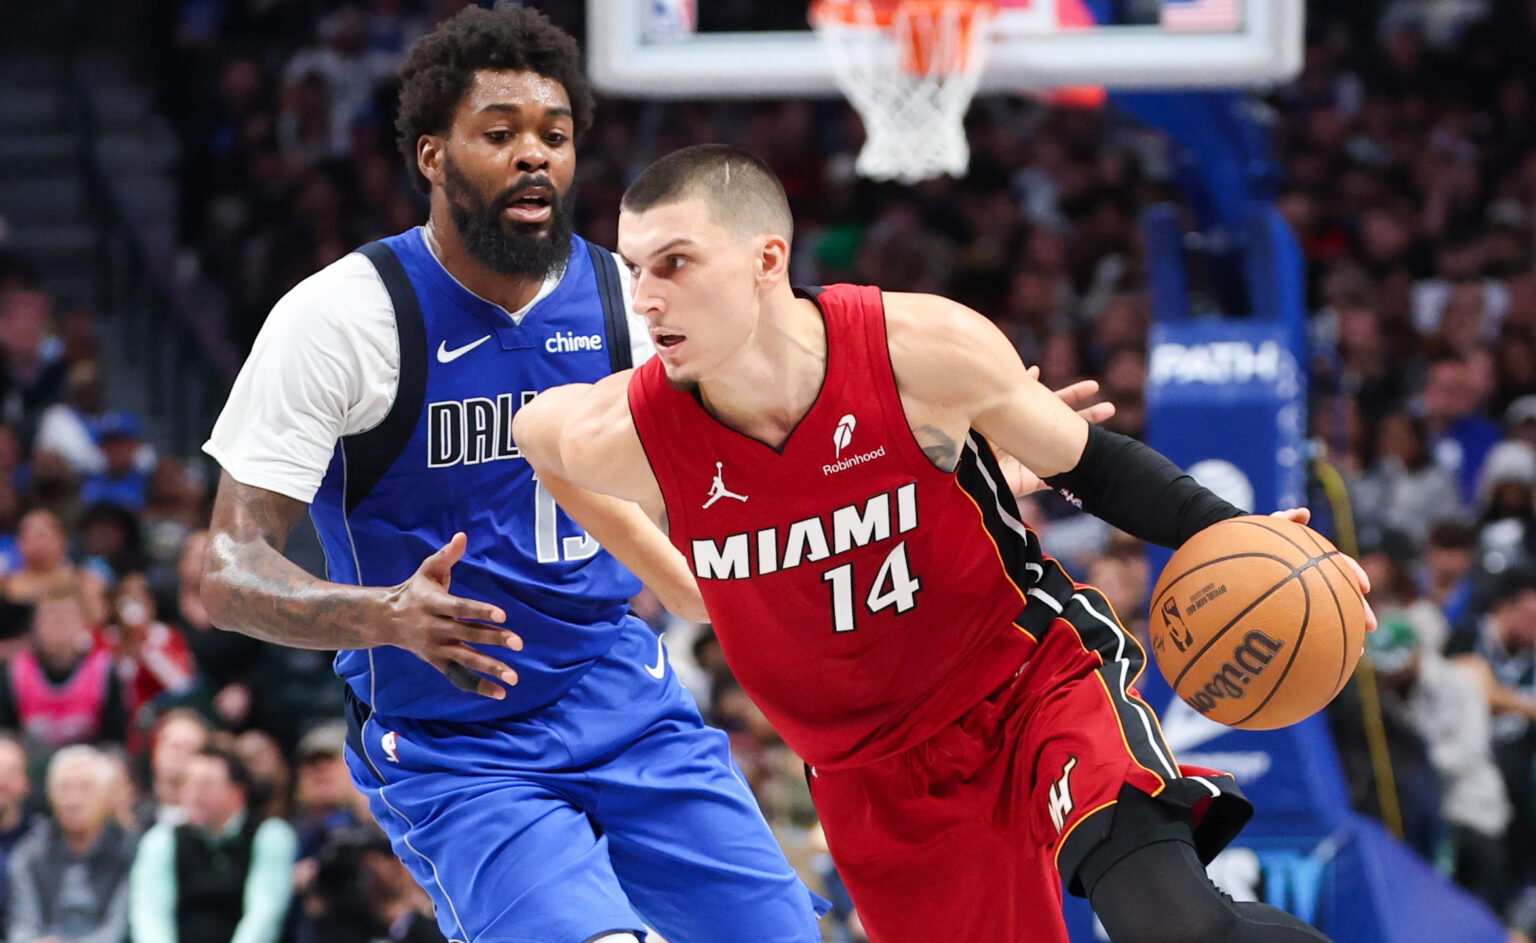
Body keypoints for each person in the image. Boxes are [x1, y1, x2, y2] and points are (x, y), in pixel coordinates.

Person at [513, 144, 1379, 943]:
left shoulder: (920, 349)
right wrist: (684, 584)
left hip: (1023, 685)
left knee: (1176, 924)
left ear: (767, 260)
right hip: (869, 776)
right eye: (633, 269)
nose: (645, 298)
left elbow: (1096, 465)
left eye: (674, 263)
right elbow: (534, 438)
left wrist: (1240, 532)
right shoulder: (625, 432)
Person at [198, 7, 828, 942]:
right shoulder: (339, 318)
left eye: (556, 136)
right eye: (500, 135)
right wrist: (381, 616)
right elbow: (224, 570)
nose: (535, 156)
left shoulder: (630, 298)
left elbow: (803, 418)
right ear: (432, 156)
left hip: (620, 693)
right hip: (460, 747)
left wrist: (970, 439)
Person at [128, 745, 297, 943]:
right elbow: (150, 916)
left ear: (238, 792)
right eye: (187, 783)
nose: (193, 794)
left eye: (205, 784)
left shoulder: (270, 835)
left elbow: (264, 915)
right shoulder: (162, 840)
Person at [7, 745, 136, 943]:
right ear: (50, 795)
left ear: (107, 795)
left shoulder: (129, 851)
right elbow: (22, 924)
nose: (73, 800)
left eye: (86, 787)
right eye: (64, 787)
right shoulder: (30, 852)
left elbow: (118, 929)